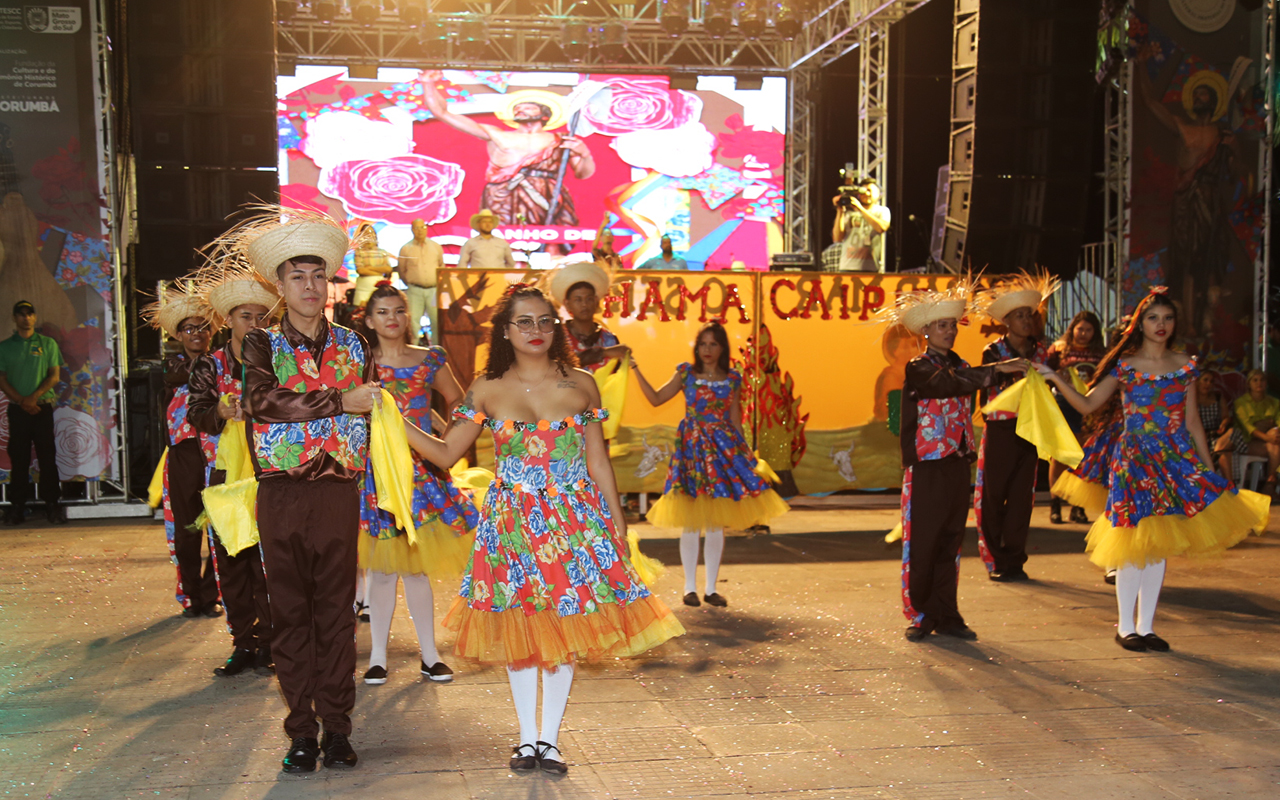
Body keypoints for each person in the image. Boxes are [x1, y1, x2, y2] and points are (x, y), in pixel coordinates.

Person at [402, 284, 684, 774]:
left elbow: (597, 460)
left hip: (576, 521)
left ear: (555, 328)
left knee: (566, 621)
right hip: (511, 523)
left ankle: (549, 740)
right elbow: (447, 454)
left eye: (543, 321)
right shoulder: (486, 389)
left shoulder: (581, 383)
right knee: (521, 623)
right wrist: (390, 416)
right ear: (505, 331)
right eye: (524, 322)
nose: (536, 331)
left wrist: (617, 525)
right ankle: (526, 738)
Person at [1038, 288, 1269, 652]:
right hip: (1133, 460)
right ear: (1140, 324)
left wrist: (1210, 471)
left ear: (1174, 323)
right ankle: (1125, 626)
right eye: (1153, 318)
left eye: (1167, 318)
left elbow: (1193, 422)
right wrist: (1053, 376)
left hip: (1174, 459)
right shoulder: (1126, 365)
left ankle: (1146, 626)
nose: (1161, 325)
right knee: (1133, 538)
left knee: (1158, 543)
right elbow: (1087, 404)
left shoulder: (1186, 365)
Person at [235, 210, 382, 773]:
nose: (310, 287)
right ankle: (301, 731)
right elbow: (261, 404)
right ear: (281, 283)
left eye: (318, 276)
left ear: (330, 282)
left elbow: (374, 414)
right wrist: (338, 401)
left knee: (337, 615)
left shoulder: (355, 341)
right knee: (291, 614)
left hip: (338, 493)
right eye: (298, 277)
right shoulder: (259, 345)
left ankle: (338, 730)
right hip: (281, 493)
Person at [882, 281, 1028, 642]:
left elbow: (963, 379)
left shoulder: (961, 364)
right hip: (927, 466)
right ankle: (920, 614)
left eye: (951, 324)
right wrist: (998, 369)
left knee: (950, 540)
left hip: (955, 463)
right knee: (923, 541)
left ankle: (947, 613)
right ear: (926, 331)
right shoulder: (920, 368)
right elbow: (949, 384)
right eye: (941, 325)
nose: (948, 331)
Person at [357, 281, 478, 687]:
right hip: (375, 474)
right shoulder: (359, 363)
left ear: (409, 317)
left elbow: (461, 406)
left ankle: (430, 654)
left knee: (416, 570)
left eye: (399, 311)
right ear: (369, 320)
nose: (392, 319)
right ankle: (377, 657)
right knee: (382, 569)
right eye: (383, 312)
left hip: (422, 475)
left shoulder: (430, 359)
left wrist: (444, 437)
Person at [632, 322, 790, 608]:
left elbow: (735, 419)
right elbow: (656, 399)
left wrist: (747, 458)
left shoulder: (732, 379)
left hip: (722, 451)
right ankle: (689, 588)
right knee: (692, 521)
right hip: (692, 450)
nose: (707, 349)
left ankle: (711, 589)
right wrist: (634, 369)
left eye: (713, 344)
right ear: (696, 347)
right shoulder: (686, 374)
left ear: (722, 348)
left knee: (716, 522)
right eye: (703, 343)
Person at [188, 270, 279, 677]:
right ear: (229, 319)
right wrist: (219, 412)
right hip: (224, 475)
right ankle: (242, 641)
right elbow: (195, 414)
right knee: (231, 559)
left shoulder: (278, 359)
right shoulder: (211, 364)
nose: (255, 324)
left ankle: (271, 642)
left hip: (271, 471)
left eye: (261, 316)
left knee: (268, 561)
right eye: (246, 316)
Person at [420, 72, 595, 225]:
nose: (521, 110)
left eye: (528, 107)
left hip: (547, 196)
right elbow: (441, 112)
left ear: (544, 114)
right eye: (518, 108)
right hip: (503, 196)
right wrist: (428, 84)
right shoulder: (495, 134)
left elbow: (583, 174)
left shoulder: (561, 139)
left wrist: (585, 155)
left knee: (551, 245)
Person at [974, 272, 1056, 582]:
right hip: (1001, 429)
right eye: (1019, 316)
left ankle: (1015, 559)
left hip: (1030, 430)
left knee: (1023, 497)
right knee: (994, 495)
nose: (1026, 321)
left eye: (1029, 315)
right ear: (1006, 321)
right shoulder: (993, 353)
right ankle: (996, 557)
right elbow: (985, 396)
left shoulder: (1041, 351)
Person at [146, 289, 221, 617]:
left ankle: (212, 594)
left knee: (220, 528)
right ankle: (191, 593)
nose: (198, 334)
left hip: (218, 454)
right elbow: (181, 376)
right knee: (188, 530)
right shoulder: (172, 366)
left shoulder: (221, 364)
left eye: (203, 328)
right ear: (177, 334)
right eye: (190, 328)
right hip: (184, 455)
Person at [0, 300, 66, 525]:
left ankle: (52, 505)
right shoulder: (5, 346)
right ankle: (17, 507)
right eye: (21, 314)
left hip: (42, 407)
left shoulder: (47, 344)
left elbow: (54, 376)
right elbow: (1, 379)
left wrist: (34, 397)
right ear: (15, 318)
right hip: (18, 409)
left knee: (47, 457)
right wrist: (22, 401)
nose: (25, 318)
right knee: (19, 458)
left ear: (35, 317)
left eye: (29, 314)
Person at [1046, 311, 1106, 524]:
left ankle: (1078, 506)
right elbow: (1045, 375)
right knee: (1060, 456)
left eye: (1088, 330)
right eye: (1080, 329)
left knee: (1082, 457)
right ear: (1072, 329)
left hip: (1089, 407)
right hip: (1063, 405)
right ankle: (1055, 504)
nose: (1083, 334)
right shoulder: (1059, 349)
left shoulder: (1101, 353)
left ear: (1095, 332)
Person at [547, 260, 629, 373]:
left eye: (589, 299)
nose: (584, 304)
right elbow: (556, 367)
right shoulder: (558, 337)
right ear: (567, 304)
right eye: (578, 300)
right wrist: (603, 353)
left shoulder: (610, 339)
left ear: (596, 301)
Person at [1217, 369, 1280, 492]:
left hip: (1269, 440)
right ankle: (1271, 483)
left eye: (1262, 380)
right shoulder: (1241, 403)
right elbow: (1248, 427)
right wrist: (1267, 434)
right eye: (1255, 380)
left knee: (1275, 440)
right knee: (1274, 442)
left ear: (1266, 383)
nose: (1259, 383)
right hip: (1246, 442)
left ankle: (1270, 483)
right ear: (1249, 384)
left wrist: (1270, 432)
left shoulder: (1275, 402)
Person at [831, 173, 890, 272]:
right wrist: (840, 211)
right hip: (847, 267)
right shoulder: (849, 212)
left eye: (870, 191)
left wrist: (860, 209)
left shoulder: (882, 210)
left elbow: (881, 227)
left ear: (878, 193)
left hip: (870, 268)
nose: (866, 194)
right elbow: (837, 238)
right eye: (863, 191)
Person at [397, 218, 444, 343]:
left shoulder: (436, 247)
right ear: (412, 230)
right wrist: (412, 283)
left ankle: (436, 353)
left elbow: (441, 267)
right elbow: (401, 270)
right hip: (414, 290)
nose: (420, 231)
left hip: (434, 290)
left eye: (422, 227)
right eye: (417, 228)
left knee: (436, 322)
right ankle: (413, 351)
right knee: (413, 323)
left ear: (426, 228)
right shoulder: (406, 248)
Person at [352, 223, 394, 306]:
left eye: (371, 233)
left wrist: (369, 268)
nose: (369, 236)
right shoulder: (359, 252)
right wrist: (379, 271)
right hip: (363, 288)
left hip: (379, 286)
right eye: (366, 233)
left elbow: (388, 269)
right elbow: (361, 270)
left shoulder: (382, 252)